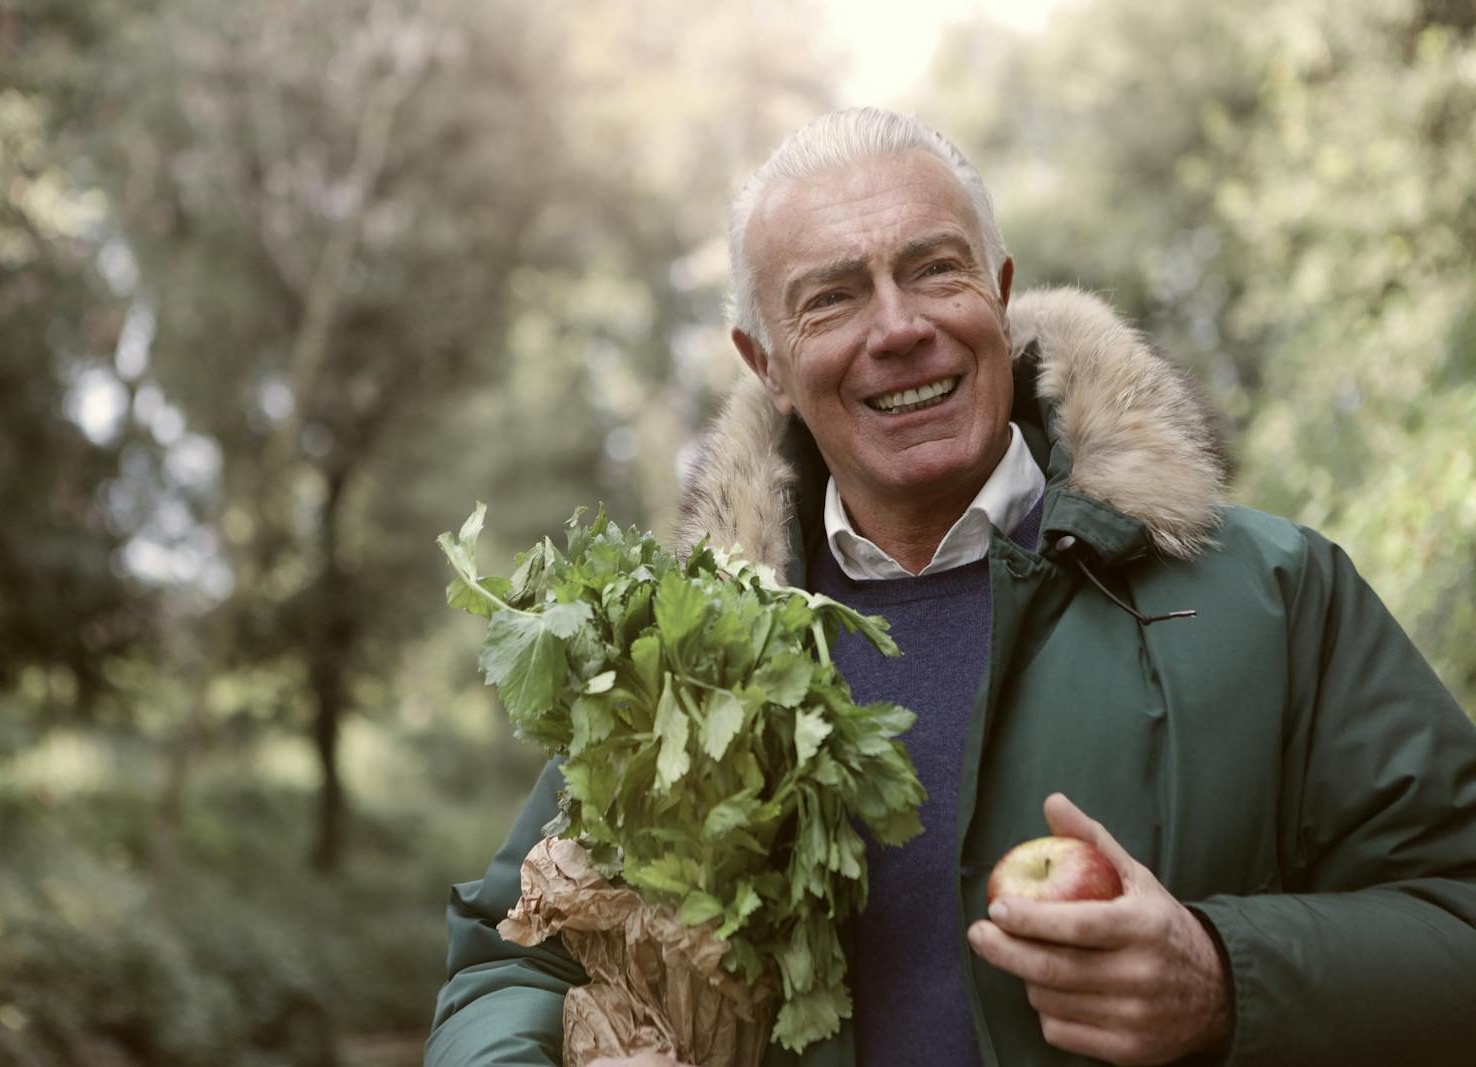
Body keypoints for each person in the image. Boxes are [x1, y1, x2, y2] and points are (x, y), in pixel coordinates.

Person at [425, 108, 1476, 1066]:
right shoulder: (683, 670)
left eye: (934, 270)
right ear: (766, 363)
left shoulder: (1270, 595)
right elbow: (508, 960)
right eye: (831, 297)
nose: (897, 328)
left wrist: (1223, 973)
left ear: (1001, 294)